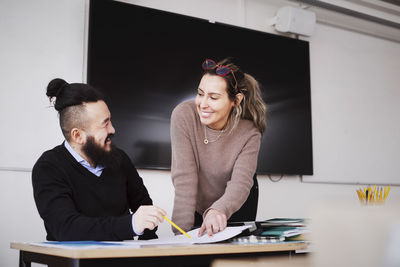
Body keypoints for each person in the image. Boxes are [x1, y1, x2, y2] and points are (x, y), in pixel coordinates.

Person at [32, 78, 166, 241]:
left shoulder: (120, 158)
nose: (113, 129)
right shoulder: (49, 167)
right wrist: (130, 225)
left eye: (110, 120)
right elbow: (65, 228)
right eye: (105, 124)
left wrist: (145, 245)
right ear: (78, 136)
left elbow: (145, 210)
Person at [170, 58, 267, 237]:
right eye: (200, 94)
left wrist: (219, 210)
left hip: (237, 201)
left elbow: (240, 183)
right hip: (198, 203)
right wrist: (179, 234)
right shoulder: (183, 115)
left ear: (236, 100)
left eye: (213, 97)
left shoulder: (250, 133)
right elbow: (184, 177)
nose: (203, 104)